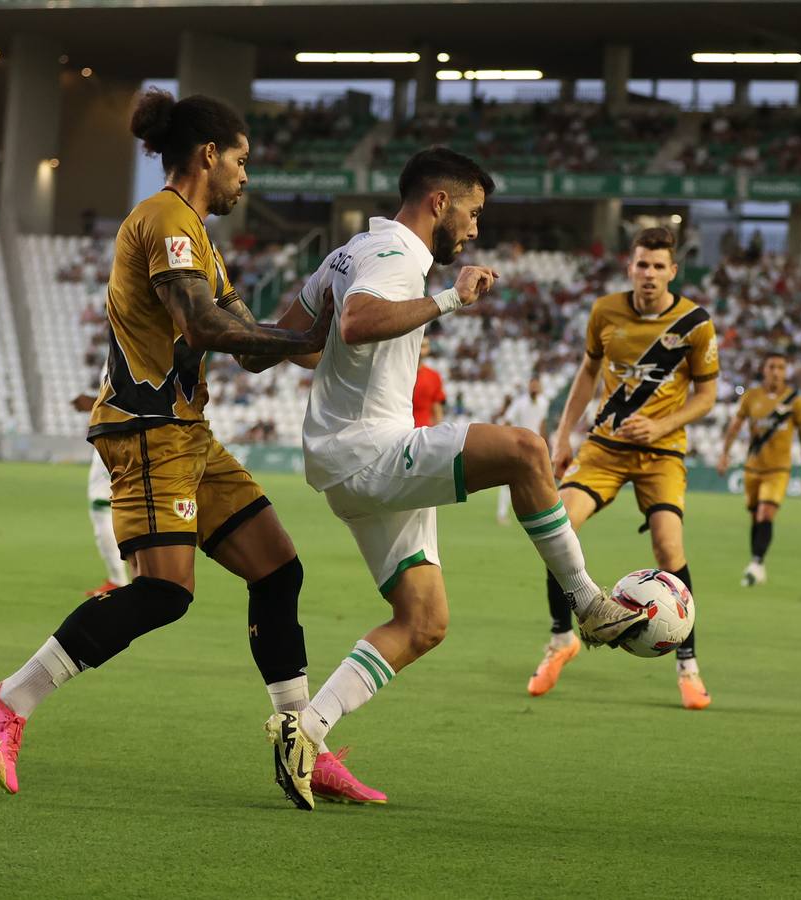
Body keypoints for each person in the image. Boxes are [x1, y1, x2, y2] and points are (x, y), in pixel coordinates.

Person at [0, 90, 382, 805]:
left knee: (277, 570)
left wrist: (345, 309)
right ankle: (7, 700)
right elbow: (205, 327)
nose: (246, 177)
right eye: (241, 161)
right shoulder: (163, 219)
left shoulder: (198, 239)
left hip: (188, 433)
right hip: (148, 430)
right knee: (164, 593)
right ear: (207, 155)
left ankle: (300, 743)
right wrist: (302, 337)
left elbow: (255, 349)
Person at [255, 148, 644, 809]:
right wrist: (450, 299)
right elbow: (357, 322)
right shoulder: (401, 257)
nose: (474, 226)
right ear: (440, 202)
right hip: (371, 452)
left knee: (424, 621)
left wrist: (219, 336)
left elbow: (284, 344)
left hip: (346, 462)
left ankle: (306, 733)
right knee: (525, 450)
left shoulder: (346, 254)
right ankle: (587, 603)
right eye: (473, 211)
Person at [535, 226, 719, 707]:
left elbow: (708, 396)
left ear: (673, 271)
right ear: (630, 267)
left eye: (659, 266)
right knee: (557, 526)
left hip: (662, 451)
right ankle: (561, 639)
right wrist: (562, 436)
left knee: (667, 543)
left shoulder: (695, 323)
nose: (650, 274)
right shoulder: (605, 311)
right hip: (604, 448)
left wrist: (661, 427)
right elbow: (587, 373)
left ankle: (689, 667)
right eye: (642, 264)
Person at [716, 352, 801, 587]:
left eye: (781, 367)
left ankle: (757, 563)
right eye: (772, 366)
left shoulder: (795, 401)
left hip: (778, 469)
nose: (776, 371)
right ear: (764, 369)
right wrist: (724, 454)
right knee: (754, 517)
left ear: (786, 371)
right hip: (753, 468)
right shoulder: (752, 397)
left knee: (766, 513)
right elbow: (735, 426)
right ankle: (757, 563)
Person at [72, 389, 132, 595]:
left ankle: (119, 580)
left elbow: (124, 391)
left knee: (101, 505)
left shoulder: (120, 356)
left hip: (116, 432)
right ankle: (141, 574)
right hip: (130, 431)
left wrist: (94, 402)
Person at [495, 376, 549, 524]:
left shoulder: (544, 402)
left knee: (536, 480)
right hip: (519, 446)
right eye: (532, 385)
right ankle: (501, 514)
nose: (534, 388)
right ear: (529, 386)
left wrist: (544, 442)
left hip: (535, 448)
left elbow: (542, 423)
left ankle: (538, 514)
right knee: (509, 481)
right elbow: (507, 420)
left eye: (537, 386)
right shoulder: (520, 403)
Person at [412, 336, 446, 426]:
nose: (420, 350)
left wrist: (437, 432)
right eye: (418, 345)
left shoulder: (434, 376)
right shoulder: (397, 373)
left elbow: (437, 409)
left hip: (423, 429)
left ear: (428, 349)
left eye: (423, 346)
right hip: (399, 428)